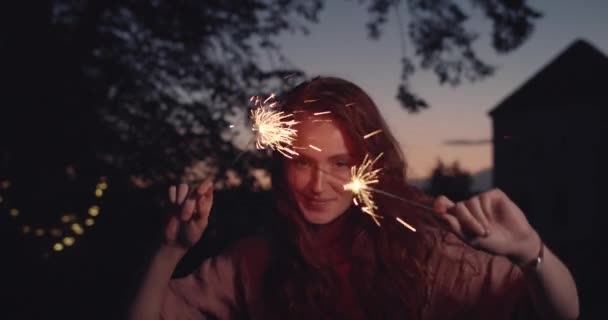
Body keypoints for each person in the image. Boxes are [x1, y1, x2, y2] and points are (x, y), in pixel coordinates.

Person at [128, 77, 579, 319]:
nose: (318, 185)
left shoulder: (431, 253)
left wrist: (531, 253)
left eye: (341, 164)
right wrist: (167, 252)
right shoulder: (252, 262)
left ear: (372, 163)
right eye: (302, 161)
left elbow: (560, 313)